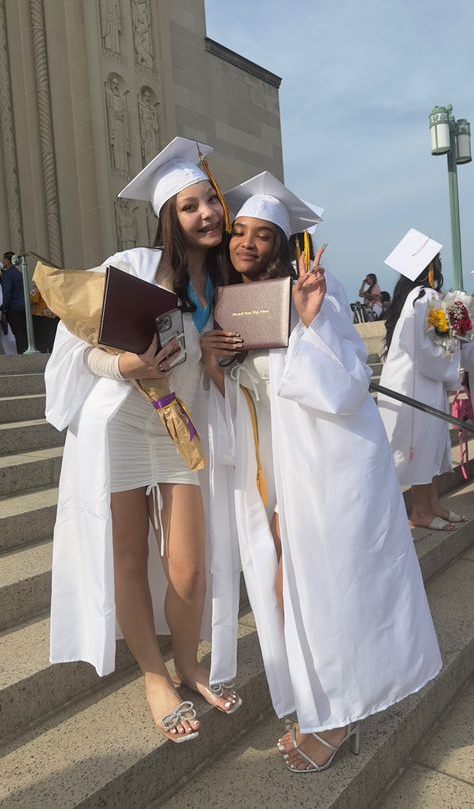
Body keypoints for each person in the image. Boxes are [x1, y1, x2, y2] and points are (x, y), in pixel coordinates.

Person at [200, 172, 442, 773]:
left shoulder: (318, 301)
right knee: (291, 592)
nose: (246, 244)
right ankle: (321, 710)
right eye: (239, 232)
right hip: (282, 470)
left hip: (330, 470)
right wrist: (219, 359)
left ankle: (336, 721)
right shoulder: (236, 307)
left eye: (262, 236)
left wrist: (305, 323)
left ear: (283, 247)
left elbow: (344, 389)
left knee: (326, 592)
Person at [44, 137, 241, 744]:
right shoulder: (130, 266)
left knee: (188, 564)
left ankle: (188, 658)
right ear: (169, 219)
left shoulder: (230, 288)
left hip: (183, 424)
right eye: (189, 207)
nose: (206, 213)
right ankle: (155, 676)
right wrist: (128, 366)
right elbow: (83, 349)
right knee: (128, 554)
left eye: (211, 200)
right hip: (124, 420)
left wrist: (214, 358)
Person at [379, 232, 464, 531]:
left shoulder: (410, 299)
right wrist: (456, 361)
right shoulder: (427, 298)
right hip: (420, 386)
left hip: (415, 382)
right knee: (423, 446)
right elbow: (436, 349)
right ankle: (420, 512)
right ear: (430, 268)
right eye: (437, 263)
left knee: (431, 447)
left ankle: (432, 505)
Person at [1, 252, 27, 353]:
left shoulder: (7, 274)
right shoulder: (19, 273)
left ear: (8, 261)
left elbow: (7, 292)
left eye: (4, 259)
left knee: (17, 332)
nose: (3, 262)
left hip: (13, 308)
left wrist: (4, 309)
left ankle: (21, 354)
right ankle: (24, 351)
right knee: (22, 332)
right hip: (23, 307)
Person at [30, 285, 59, 352]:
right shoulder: (55, 285)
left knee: (40, 337)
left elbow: (34, 299)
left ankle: (42, 352)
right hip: (53, 314)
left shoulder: (39, 286)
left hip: (40, 314)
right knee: (50, 336)